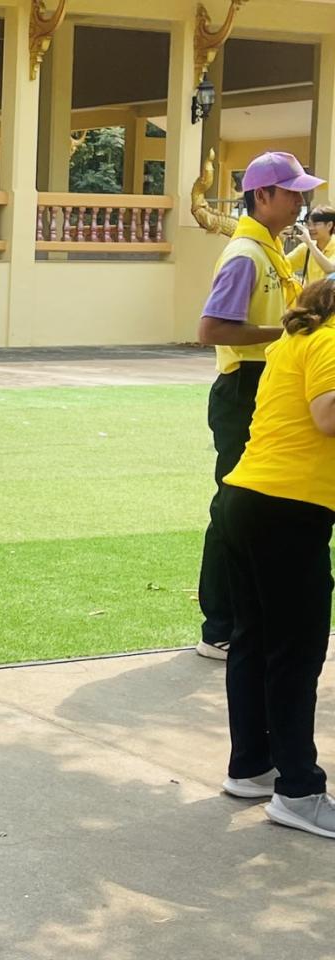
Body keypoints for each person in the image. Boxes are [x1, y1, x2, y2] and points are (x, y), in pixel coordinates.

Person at [194, 152, 321, 661]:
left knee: (252, 506)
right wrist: (289, 331)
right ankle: (219, 624)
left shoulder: (269, 249)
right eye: (291, 193)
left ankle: (240, 618)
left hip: (262, 387)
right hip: (243, 386)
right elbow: (211, 330)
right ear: (261, 195)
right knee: (234, 506)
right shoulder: (247, 254)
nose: (299, 202)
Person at [219, 279, 335, 838]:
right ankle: (299, 789)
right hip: (287, 514)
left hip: (248, 504)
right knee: (296, 651)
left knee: (255, 641)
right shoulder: (330, 343)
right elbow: (328, 416)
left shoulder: (292, 343)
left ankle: (252, 767)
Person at [288, 204, 335, 285]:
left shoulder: (309, 245)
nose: (311, 228)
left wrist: (309, 243)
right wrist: (280, 238)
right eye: (309, 224)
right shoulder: (306, 247)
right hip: (312, 297)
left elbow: (330, 269)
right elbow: (284, 265)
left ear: (329, 225)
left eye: (316, 224)